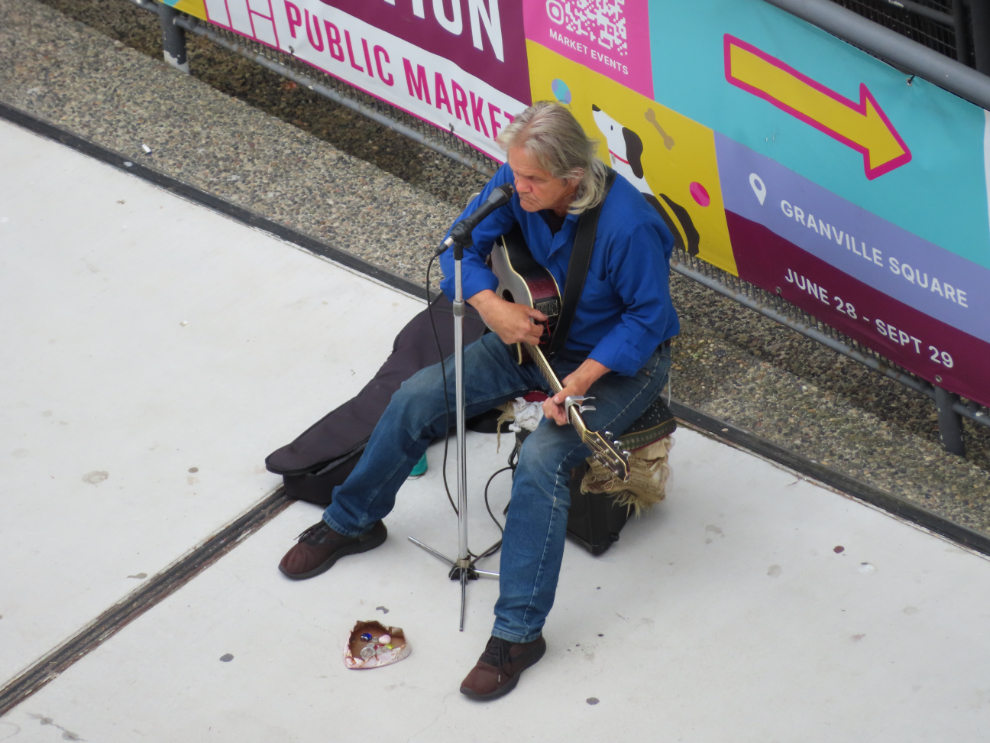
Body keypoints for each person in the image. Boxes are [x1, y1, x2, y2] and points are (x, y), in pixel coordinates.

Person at [278, 101, 679, 700]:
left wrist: (581, 380)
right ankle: (351, 521)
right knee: (416, 396)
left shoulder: (629, 226)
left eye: (531, 181)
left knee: (544, 462)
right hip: (532, 334)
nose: (515, 188)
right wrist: (494, 308)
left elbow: (651, 318)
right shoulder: (518, 180)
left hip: (617, 365)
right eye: (513, 174)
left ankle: (518, 635)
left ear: (571, 177)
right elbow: (456, 247)